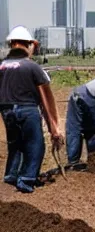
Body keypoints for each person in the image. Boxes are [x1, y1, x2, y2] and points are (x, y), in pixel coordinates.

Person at [0, 26, 64, 193]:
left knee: (15, 144)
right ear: (29, 44)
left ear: (12, 44)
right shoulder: (33, 67)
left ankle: (11, 176)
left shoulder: (2, 66)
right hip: (27, 109)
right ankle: (27, 179)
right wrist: (54, 129)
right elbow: (46, 100)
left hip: (6, 111)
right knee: (35, 144)